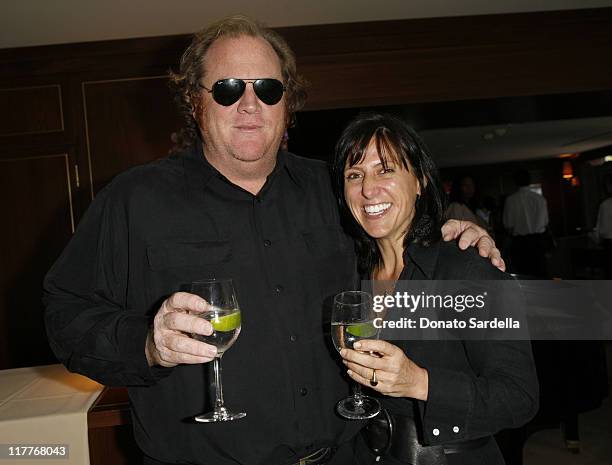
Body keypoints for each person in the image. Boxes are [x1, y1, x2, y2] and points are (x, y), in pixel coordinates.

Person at [43, 16, 504, 465]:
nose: (249, 104)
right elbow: (65, 311)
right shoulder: (134, 200)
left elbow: (395, 241)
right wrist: (145, 344)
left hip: (346, 454)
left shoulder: (335, 190)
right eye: (227, 89)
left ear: (287, 103)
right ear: (194, 100)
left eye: (268, 88)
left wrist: (449, 232)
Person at [331, 113, 538, 465]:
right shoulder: (353, 273)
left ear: (420, 181)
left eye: (386, 169)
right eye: (355, 175)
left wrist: (420, 382)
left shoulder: (465, 268)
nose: (368, 188)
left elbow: (519, 397)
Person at [503, 169, 550, 277]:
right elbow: (546, 222)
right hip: (538, 242)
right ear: (529, 180)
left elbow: (508, 226)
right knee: (541, 274)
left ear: (515, 182)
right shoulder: (540, 199)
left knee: (524, 276)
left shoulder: (510, 200)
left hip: (520, 244)